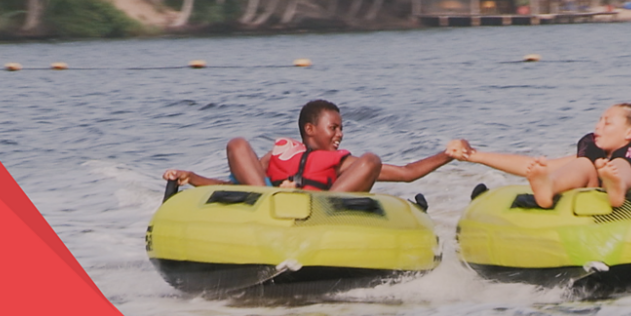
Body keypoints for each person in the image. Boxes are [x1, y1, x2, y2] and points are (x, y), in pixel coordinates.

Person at [447, 103, 631, 208]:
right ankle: (548, 188)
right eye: (598, 121)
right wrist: (475, 155)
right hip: (594, 176)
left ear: (630, 133)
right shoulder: (592, 157)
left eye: (607, 122)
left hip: (630, 181)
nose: (597, 127)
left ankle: (617, 187)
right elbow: (532, 165)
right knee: (582, 164)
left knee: (620, 165)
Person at [164, 99, 462, 192]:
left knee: (371, 159)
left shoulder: (343, 163)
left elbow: (407, 173)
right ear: (310, 129)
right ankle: (269, 200)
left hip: (319, 213)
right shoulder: (278, 155)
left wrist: (447, 155)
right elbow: (232, 187)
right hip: (264, 204)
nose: (340, 134)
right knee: (238, 143)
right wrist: (192, 177)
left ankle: (323, 207)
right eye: (333, 128)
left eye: (341, 128)